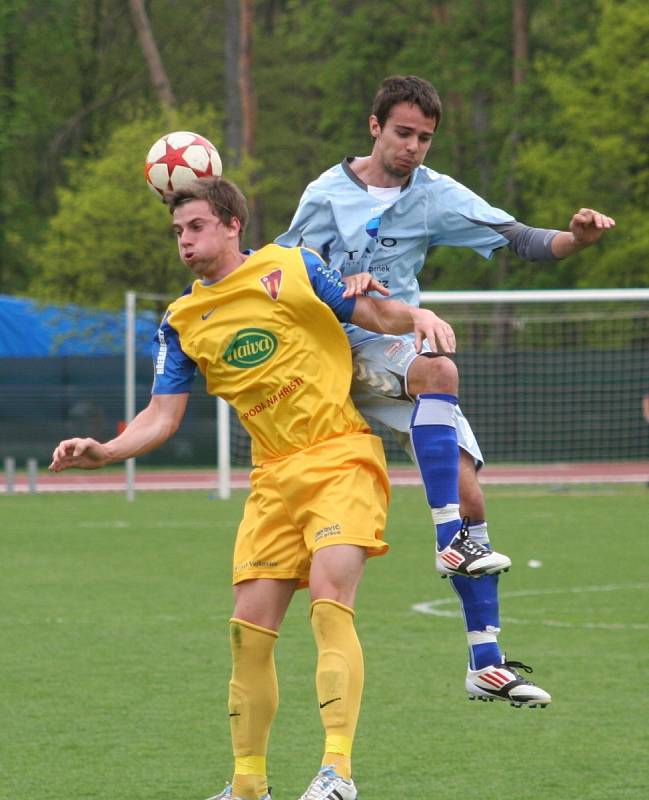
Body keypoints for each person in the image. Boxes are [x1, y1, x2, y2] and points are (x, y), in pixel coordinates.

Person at [49, 176, 458, 800]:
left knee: (329, 601)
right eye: (178, 231)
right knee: (247, 631)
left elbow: (366, 310)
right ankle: (248, 786)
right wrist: (105, 450)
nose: (185, 241)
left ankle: (337, 773)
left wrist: (416, 313)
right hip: (271, 478)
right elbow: (162, 416)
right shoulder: (182, 319)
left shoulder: (291, 265)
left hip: (339, 457)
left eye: (196, 227)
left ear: (232, 224)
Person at [277, 74, 616, 708]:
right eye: (402, 132)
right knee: (441, 371)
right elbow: (287, 271)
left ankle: (484, 662)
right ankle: (446, 544)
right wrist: (331, 287)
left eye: (425, 138)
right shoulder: (323, 195)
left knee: (471, 495)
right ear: (374, 126)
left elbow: (521, 238)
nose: (412, 147)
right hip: (331, 353)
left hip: (392, 344)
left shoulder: (433, 196)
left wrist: (577, 239)